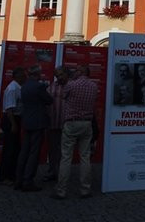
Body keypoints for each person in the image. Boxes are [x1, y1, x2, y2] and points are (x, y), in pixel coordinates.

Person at [52, 65, 98, 200]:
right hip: (87, 123)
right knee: (85, 157)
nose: (75, 72)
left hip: (71, 122)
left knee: (66, 157)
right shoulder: (93, 86)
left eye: (77, 70)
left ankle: (61, 190)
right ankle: (85, 189)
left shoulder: (71, 85)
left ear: (82, 72)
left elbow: (64, 97)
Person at [15, 65, 52, 191]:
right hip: (38, 122)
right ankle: (28, 181)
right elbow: (49, 100)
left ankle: (18, 179)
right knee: (33, 153)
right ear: (37, 74)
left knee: (24, 151)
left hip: (27, 121)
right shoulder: (39, 86)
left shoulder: (24, 86)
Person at [0, 67, 26, 185]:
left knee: (14, 149)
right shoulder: (13, 88)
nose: (25, 77)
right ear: (17, 76)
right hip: (11, 119)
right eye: (23, 75)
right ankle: (5, 177)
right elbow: (9, 109)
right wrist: (14, 124)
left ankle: (12, 174)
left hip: (15, 118)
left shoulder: (17, 87)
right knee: (9, 149)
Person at [43, 66, 69, 182]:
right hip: (53, 123)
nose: (59, 77)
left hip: (67, 124)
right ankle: (53, 171)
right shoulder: (52, 86)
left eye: (61, 75)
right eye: (57, 75)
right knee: (53, 149)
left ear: (66, 74)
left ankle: (63, 174)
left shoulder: (72, 85)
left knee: (66, 151)